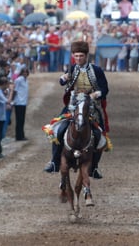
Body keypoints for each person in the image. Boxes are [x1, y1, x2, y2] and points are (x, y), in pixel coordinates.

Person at [43, 41, 109, 179]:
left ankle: (94, 167)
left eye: (81, 56)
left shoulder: (96, 70)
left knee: (100, 135)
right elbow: (62, 82)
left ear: (86, 56)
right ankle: (54, 162)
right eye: (76, 56)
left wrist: (94, 94)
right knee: (58, 129)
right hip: (73, 105)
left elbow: (104, 89)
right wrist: (63, 77)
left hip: (91, 107)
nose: (78, 59)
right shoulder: (72, 69)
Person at [13, 68, 29, 141]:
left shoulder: (26, 80)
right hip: (19, 102)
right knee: (19, 120)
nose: (25, 74)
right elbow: (15, 90)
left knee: (22, 120)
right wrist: (13, 99)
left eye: (26, 72)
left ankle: (21, 135)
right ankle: (18, 136)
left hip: (23, 102)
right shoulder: (19, 80)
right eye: (24, 72)